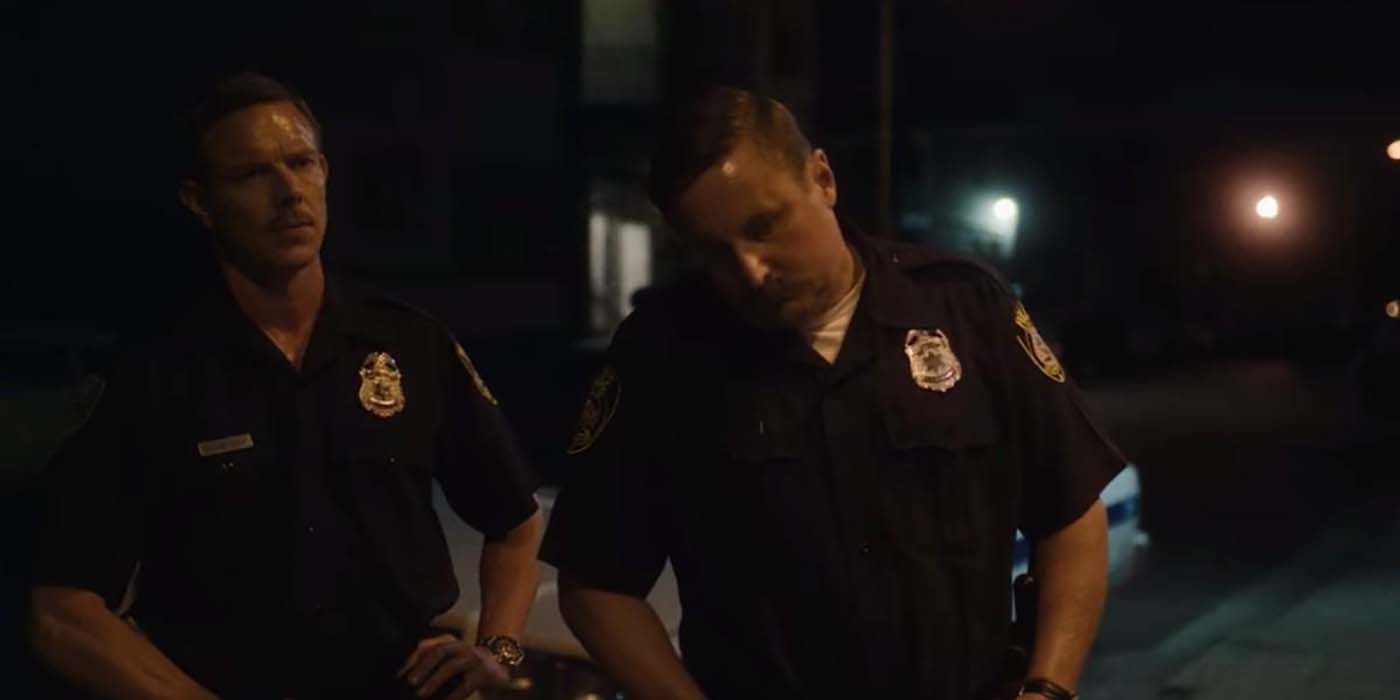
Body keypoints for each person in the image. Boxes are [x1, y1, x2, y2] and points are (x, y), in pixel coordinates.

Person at [541, 87, 1125, 700]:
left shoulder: (966, 307)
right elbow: (596, 584)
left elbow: (1072, 514)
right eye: (713, 252)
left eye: (765, 227)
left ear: (822, 178)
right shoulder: (661, 356)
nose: (751, 270)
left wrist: (1049, 688)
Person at [27, 73, 543, 700]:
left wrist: (499, 649)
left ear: (324, 171)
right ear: (200, 201)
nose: (288, 192)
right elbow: (62, 610)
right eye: (252, 175)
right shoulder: (156, 374)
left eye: (300, 164)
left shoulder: (409, 345)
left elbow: (515, 522)